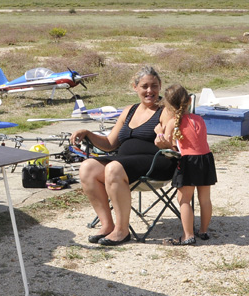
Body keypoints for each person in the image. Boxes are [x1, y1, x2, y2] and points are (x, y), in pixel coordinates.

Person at [71, 66, 173, 246]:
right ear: (135, 87)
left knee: (114, 168)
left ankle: (122, 230)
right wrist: (87, 132)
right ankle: (107, 225)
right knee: (87, 167)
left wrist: (163, 141)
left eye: (154, 86)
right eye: (145, 86)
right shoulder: (129, 111)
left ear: (160, 87)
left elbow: (173, 144)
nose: (150, 91)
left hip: (156, 162)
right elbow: (110, 144)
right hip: (124, 164)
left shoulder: (165, 111)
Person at [155, 83, 216, 246]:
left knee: (184, 200)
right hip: (205, 159)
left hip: (188, 162)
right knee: (205, 199)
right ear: (190, 100)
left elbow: (168, 145)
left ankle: (187, 235)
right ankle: (203, 231)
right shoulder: (199, 120)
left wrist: (158, 132)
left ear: (168, 106)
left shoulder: (172, 123)